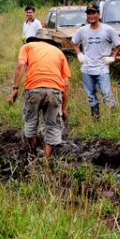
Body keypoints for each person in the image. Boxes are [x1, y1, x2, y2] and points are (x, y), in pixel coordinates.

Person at [8, 31, 71, 161]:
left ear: (35, 39)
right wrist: (64, 109)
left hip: (33, 89)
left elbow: (20, 65)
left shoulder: (28, 47)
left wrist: (15, 89)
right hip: (54, 90)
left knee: (31, 120)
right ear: (51, 42)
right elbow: (66, 84)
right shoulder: (59, 53)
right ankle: (46, 159)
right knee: (53, 125)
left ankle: (33, 152)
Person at [71, 3, 120, 122]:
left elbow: (119, 44)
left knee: (106, 94)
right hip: (87, 69)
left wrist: (113, 57)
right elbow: (74, 42)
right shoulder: (82, 30)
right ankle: (96, 120)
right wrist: (79, 53)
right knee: (91, 96)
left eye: (93, 13)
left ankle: (113, 119)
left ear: (99, 14)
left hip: (102, 69)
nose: (91, 15)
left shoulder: (108, 30)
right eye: (88, 13)